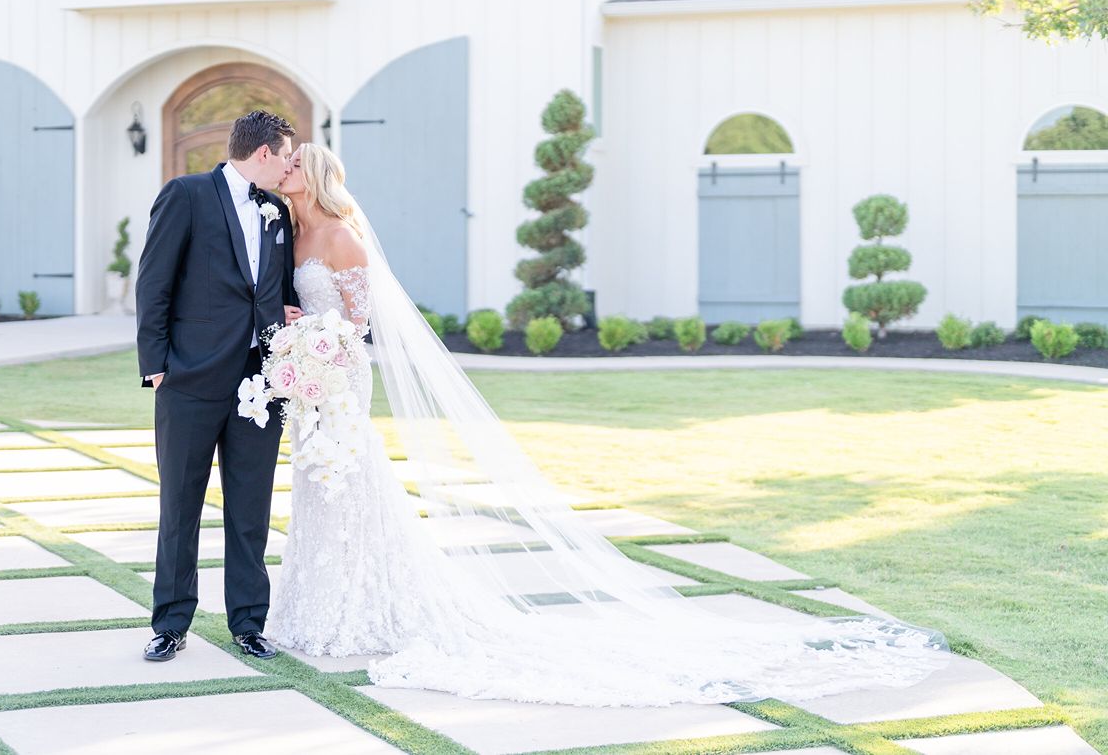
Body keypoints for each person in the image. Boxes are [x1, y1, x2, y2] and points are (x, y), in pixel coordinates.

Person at [262, 141, 954, 706]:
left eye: (294, 164)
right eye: (282, 163)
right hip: (309, 379)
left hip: (340, 374)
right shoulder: (287, 230)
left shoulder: (344, 237)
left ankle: (361, 605)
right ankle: (317, 603)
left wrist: (315, 334)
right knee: (318, 485)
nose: (285, 169)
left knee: (350, 480)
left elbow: (359, 322)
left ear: (313, 176)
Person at [134, 110, 299, 663]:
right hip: (189, 378)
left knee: (250, 508)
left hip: (261, 380)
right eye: (285, 158)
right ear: (263, 154)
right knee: (180, 505)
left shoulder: (278, 211)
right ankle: (171, 623)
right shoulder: (186, 194)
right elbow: (153, 281)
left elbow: (276, 287)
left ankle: (249, 622)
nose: (288, 169)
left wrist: (287, 320)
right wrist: (155, 362)